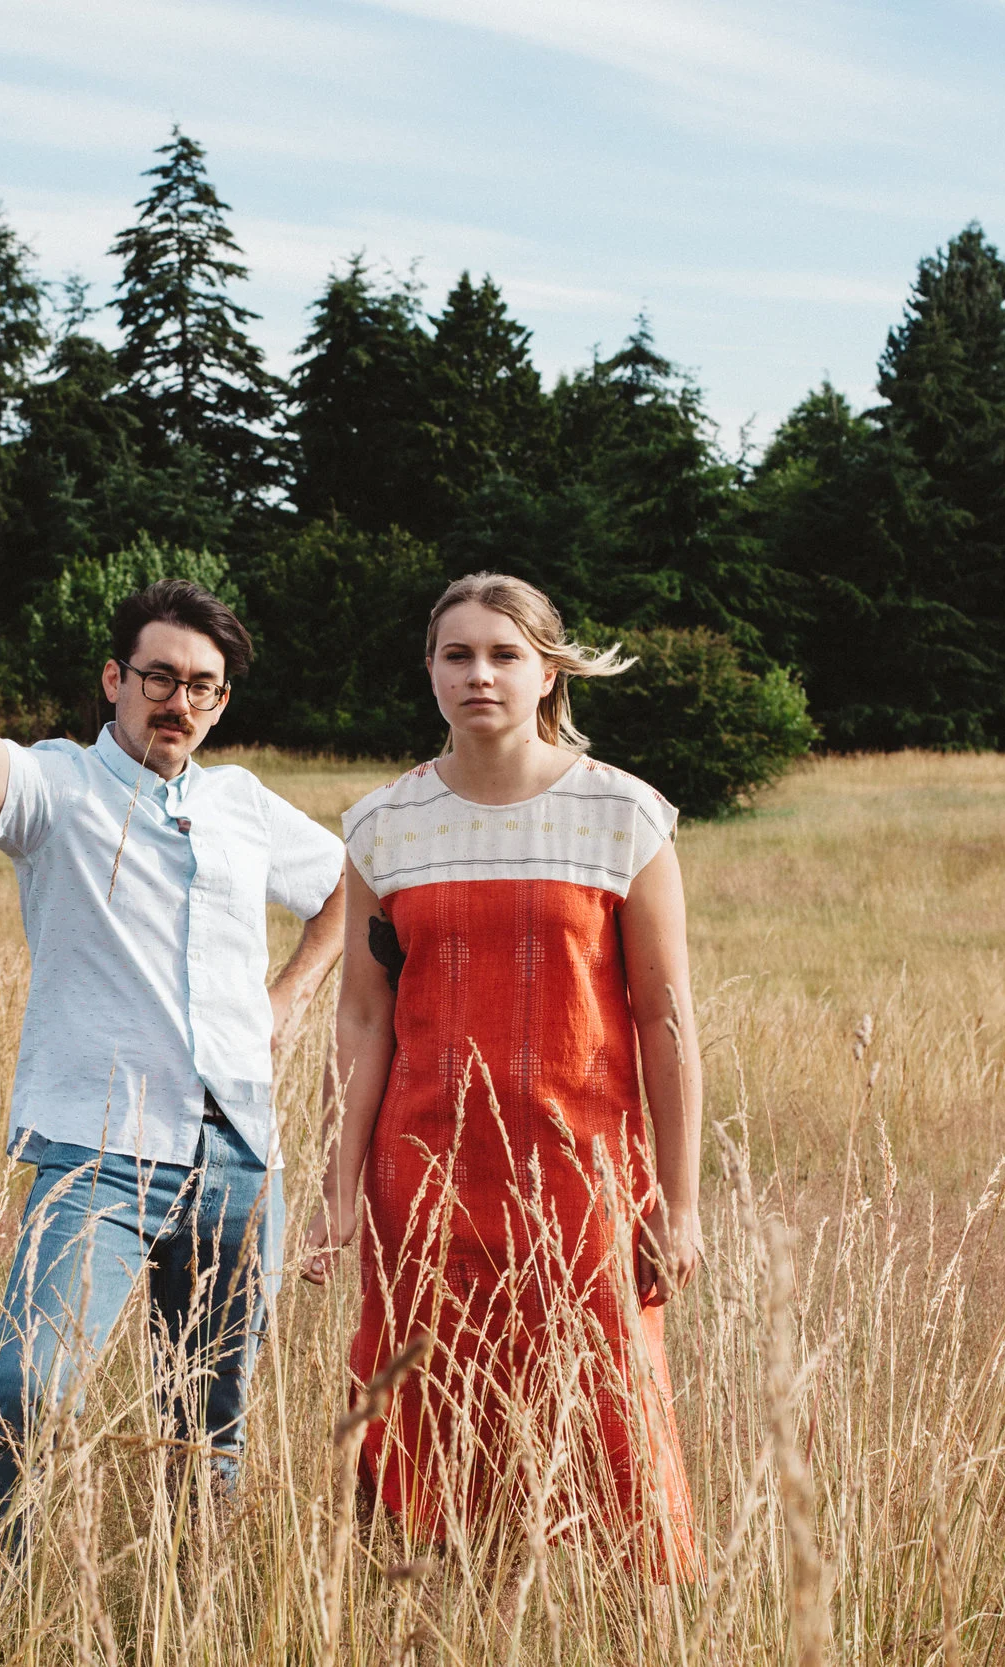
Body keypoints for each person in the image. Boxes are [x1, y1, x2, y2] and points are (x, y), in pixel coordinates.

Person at [0, 437, 347, 1567]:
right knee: (25, 1388)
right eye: (158, 675)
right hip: (96, 1157)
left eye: (203, 686)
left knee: (208, 1428)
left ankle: (188, 1611)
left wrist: (293, 993)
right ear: (115, 678)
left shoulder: (244, 802)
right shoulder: (56, 787)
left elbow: (347, 888)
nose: (181, 700)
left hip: (236, 1157)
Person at [301, 571, 701, 1579]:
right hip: (423, 1175)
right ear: (430, 671)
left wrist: (680, 1201)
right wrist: (337, 1189)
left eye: (503, 653)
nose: (478, 673)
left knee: (609, 1401)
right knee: (421, 1399)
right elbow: (361, 1014)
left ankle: (611, 1613)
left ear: (546, 669)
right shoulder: (381, 825)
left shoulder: (624, 815)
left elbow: (664, 1018)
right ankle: (424, 1599)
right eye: (456, 653)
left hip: (587, 1175)